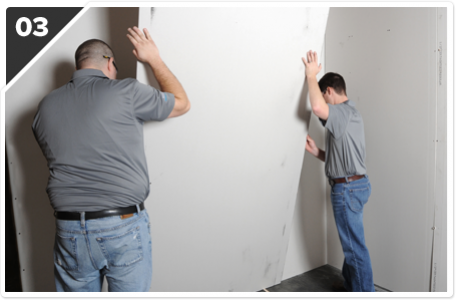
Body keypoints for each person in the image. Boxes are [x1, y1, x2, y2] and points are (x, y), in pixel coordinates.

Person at [32, 26, 190, 292]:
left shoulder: (45, 106)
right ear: (109, 63)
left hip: (68, 230)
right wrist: (153, 59)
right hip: (121, 226)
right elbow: (182, 103)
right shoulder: (125, 91)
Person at [302, 51, 375, 292]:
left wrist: (311, 75)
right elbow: (343, 158)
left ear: (329, 91)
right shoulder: (351, 114)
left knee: (355, 250)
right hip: (357, 185)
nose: (323, 102)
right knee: (353, 244)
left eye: (324, 96)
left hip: (347, 190)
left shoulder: (341, 113)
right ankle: (350, 284)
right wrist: (317, 152)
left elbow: (317, 107)